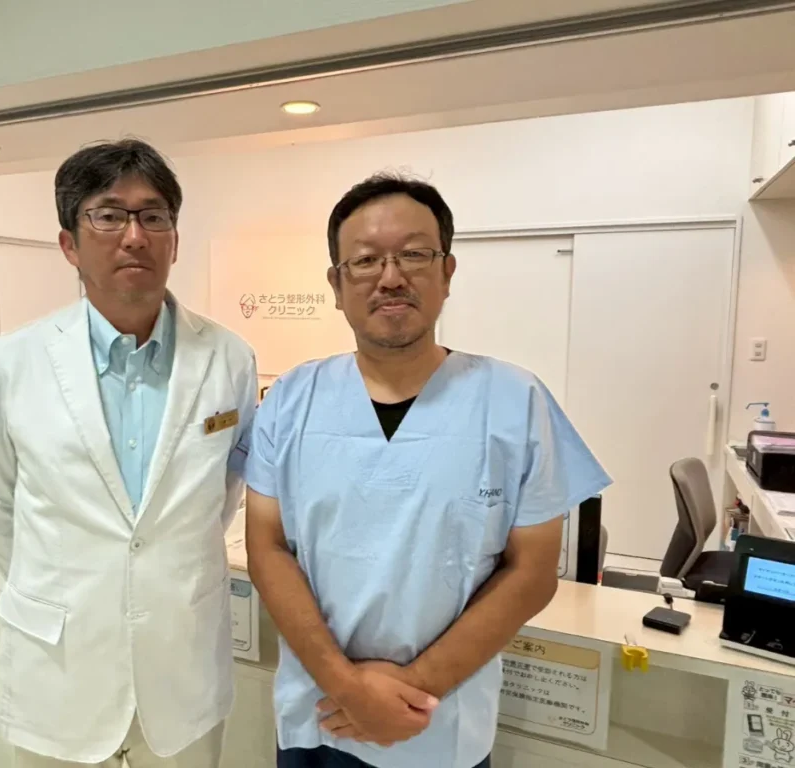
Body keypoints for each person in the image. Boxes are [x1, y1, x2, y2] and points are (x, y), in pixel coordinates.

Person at [244, 173, 611, 768]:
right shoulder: (290, 399)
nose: (391, 277)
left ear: (447, 273)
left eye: (414, 255)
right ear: (336, 284)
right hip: (318, 716)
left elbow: (532, 573)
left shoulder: (514, 401)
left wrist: (409, 692)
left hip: (440, 727)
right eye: (365, 260)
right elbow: (267, 549)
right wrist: (347, 687)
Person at [0, 139, 257, 768]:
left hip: (182, 660)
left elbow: (223, 494)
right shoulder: (10, 363)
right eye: (109, 215)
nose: (135, 236)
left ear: (175, 238)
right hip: (60, 660)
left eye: (153, 216)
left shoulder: (229, 358)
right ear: (69, 243)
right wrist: (69, 583)